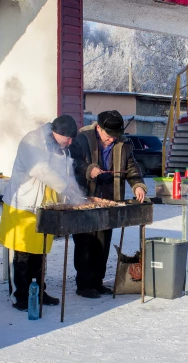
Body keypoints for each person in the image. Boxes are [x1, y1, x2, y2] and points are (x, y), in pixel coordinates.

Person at [0, 115, 81, 311]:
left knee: (39, 253)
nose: (69, 143)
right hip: (23, 206)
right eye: (67, 139)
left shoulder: (59, 148)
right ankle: (19, 296)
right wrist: (65, 187)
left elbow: (66, 173)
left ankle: (38, 292)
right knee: (20, 254)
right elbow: (40, 170)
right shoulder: (31, 141)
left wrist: (75, 194)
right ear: (56, 132)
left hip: (44, 207)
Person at [69, 110, 147, 299]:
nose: (112, 139)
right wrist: (88, 169)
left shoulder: (123, 143)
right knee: (86, 242)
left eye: (115, 135)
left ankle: (98, 282)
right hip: (84, 197)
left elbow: (131, 167)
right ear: (98, 128)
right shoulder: (82, 139)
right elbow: (72, 162)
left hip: (109, 198)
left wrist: (137, 185)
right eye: (108, 135)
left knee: (102, 243)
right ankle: (84, 285)